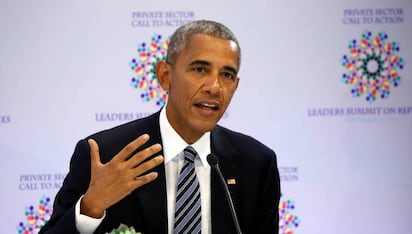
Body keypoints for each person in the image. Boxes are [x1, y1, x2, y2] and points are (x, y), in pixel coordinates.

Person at [40, 19, 281, 234]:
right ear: (165, 75)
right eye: (200, 69)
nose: (215, 87)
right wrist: (90, 207)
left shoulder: (256, 163)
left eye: (227, 75)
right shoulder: (105, 154)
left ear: (235, 86)